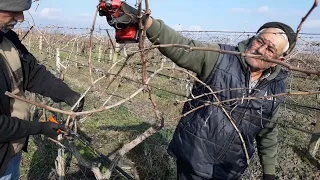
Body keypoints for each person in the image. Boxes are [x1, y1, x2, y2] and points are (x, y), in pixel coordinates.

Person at [100, 2, 297, 180]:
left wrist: (269, 172)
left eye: (270, 49)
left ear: (280, 59)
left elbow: (268, 131)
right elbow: (184, 47)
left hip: (230, 169)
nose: (261, 50)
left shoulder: (276, 88)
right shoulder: (220, 57)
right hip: (194, 158)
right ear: (253, 38)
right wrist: (146, 22)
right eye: (260, 41)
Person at [0, 0, 84, 179]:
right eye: (12, 11)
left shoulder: (7, 39)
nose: (21, 18)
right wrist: (39, 128)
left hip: (10, 151)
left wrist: (66, 93)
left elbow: (32, 73)